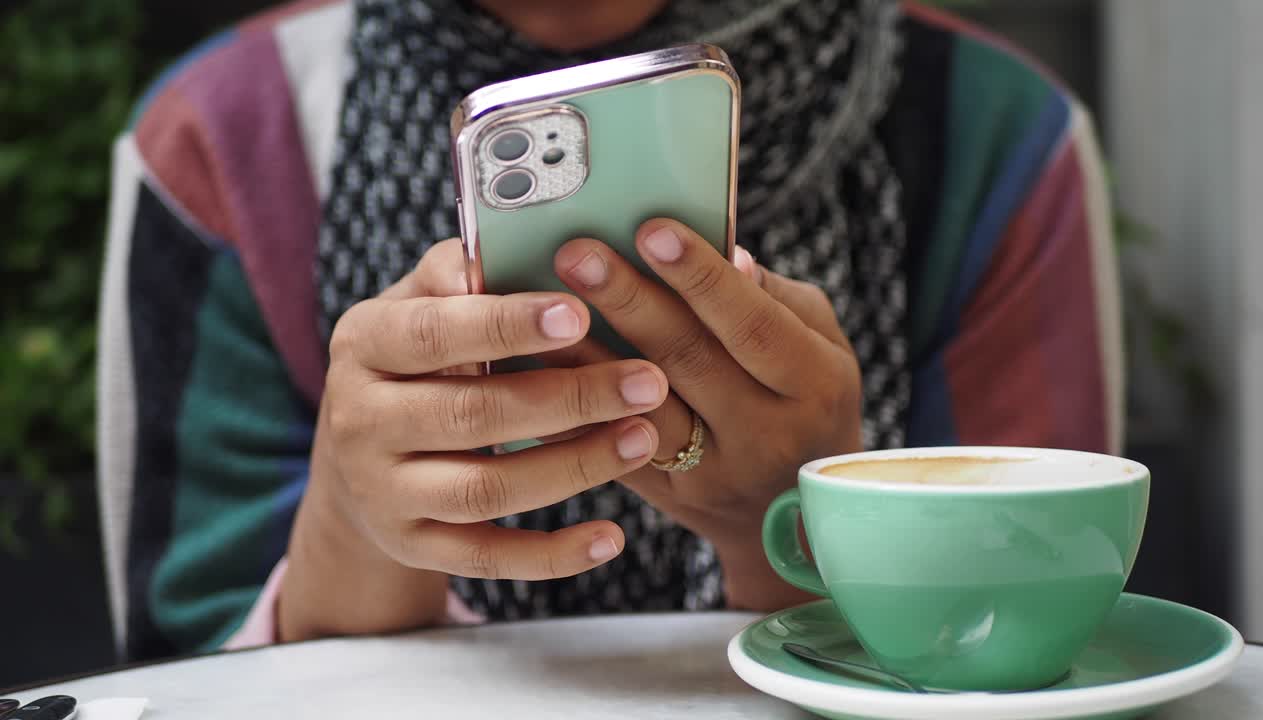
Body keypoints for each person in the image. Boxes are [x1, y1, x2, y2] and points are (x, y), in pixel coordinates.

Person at [97, 0, 1123, 660]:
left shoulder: (992, 139)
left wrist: (798, 534)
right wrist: (355, 528)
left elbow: (1035, 646)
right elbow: (180, 675)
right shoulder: (223, 146)